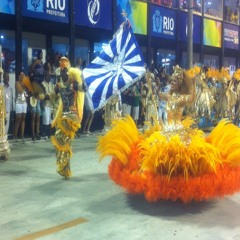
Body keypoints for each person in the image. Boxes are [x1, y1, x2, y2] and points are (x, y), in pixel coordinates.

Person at [97, 65, 240, 203]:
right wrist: (148, 82)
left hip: (179, 131)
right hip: (166, 129)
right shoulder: (169, 96)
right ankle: (152, 176)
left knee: (181, 156)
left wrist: (193, 81)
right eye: (172, 80)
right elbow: (158, 94)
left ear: (180, 83)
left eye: (176, 81)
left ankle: (179, 180)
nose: (173, 82)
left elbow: (191, 98)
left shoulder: (181, 98)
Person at [51, 57, 86, 178]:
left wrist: (81, 80)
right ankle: (65, 170)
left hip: (72, 116)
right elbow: (51, 96)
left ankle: (64, 166)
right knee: (64, 142)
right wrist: (38, 94)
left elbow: (84, 89)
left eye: (65, 70)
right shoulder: (59, 85)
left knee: (60, 136)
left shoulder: (73, 83)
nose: (62, 72)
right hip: (63, 115)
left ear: (69, 71)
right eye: (61, 70)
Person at [13, 72, 28, 143]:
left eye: (23, 75)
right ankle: (15, 134)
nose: (22, 76)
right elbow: (20, 90)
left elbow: (27, 89)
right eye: (21, 75)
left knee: (23, 119)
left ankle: (22, 135)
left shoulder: (24, 83)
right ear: (19, 75)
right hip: (18, 102)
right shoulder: (17, 83)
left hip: (24, 102)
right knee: (18, 119)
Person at [0, 68, 10, 160]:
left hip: (5, 112)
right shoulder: (1, 87)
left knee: (4, 132)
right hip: (2, 113)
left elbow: (6, 101)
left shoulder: (6, 87)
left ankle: (3, 152)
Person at [3, 71, 13, 136]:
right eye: (6, 77)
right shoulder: (1, 86)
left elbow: (11, 99)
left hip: (8, 109)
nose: (7, 78)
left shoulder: (10, 88)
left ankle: (5, 138)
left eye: (8, 77)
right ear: (3, 78)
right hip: (2, 109)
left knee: (7, 125)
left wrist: (12, 108)